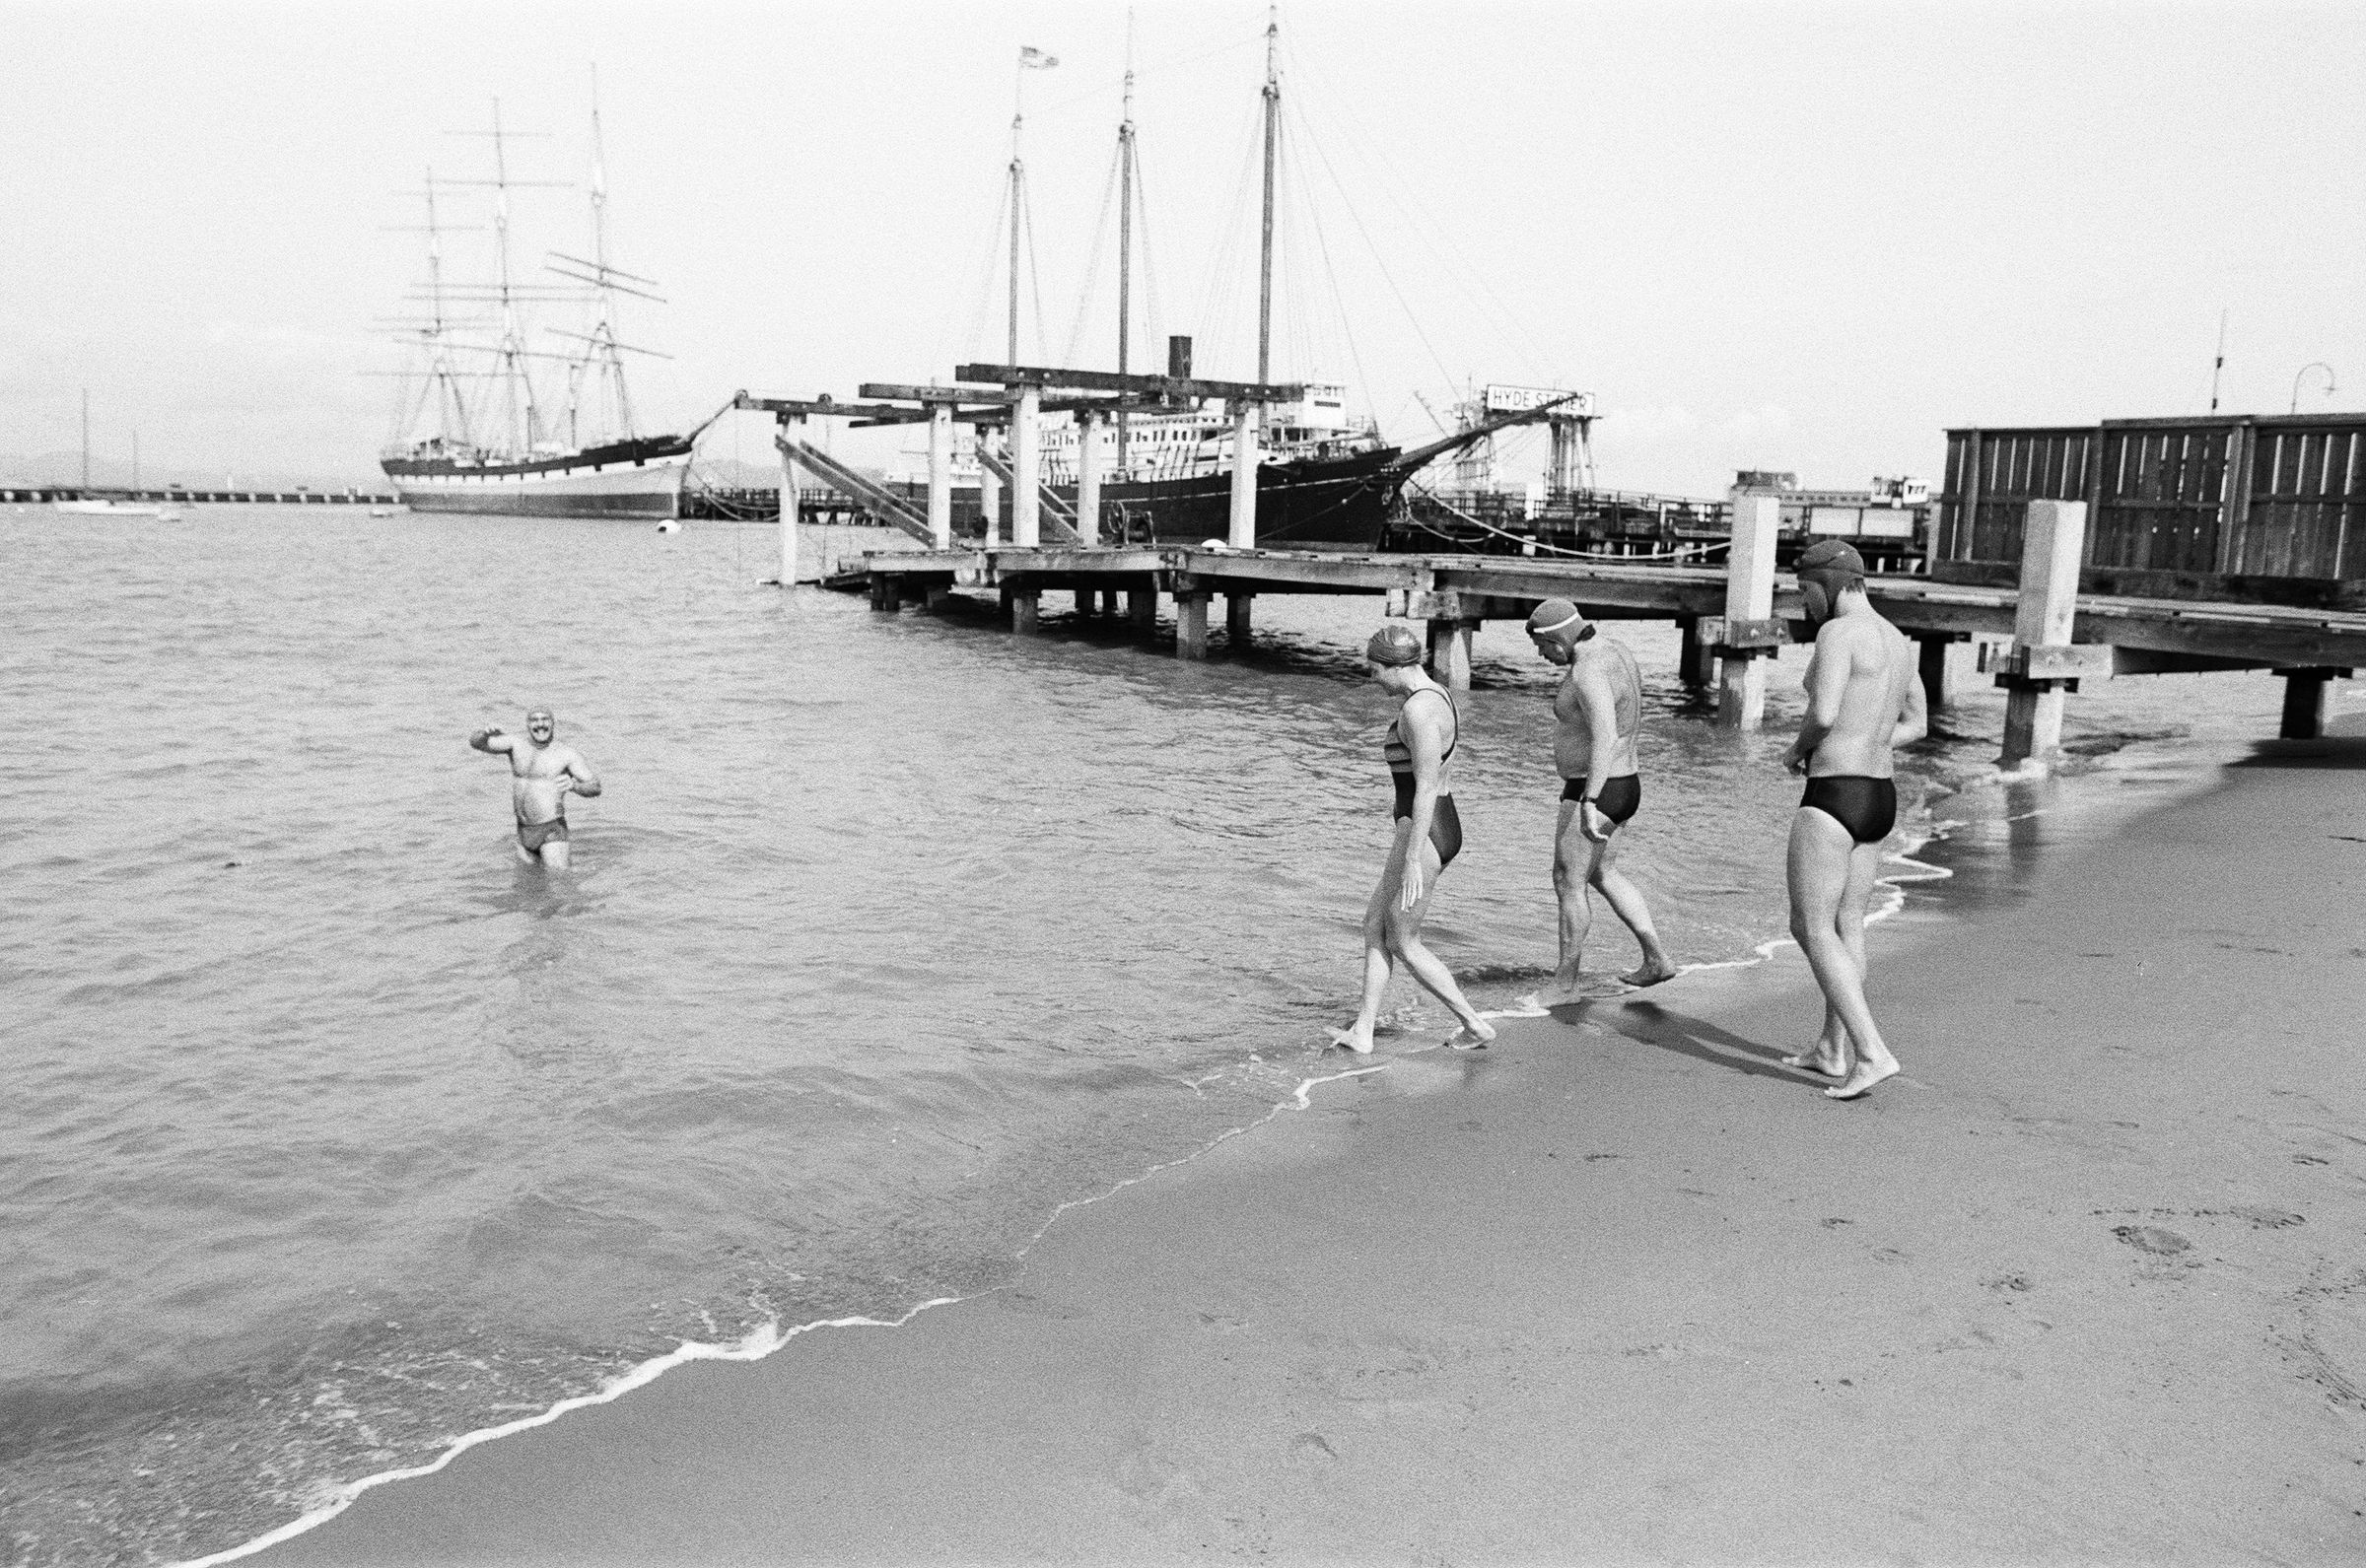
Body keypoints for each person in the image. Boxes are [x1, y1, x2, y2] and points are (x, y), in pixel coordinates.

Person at [1778, 541, 1926, 1099]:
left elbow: (1822, 713)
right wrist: (1870, 741)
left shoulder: (1838, 634)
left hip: (1835, 794)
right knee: (1847, 926)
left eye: (1805, 591)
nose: (1805, 603)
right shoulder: (1898, 640)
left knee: (1810, 927)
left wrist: (1798, 751)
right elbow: (1918, 722)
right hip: (1879, 796)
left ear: (1829, 584)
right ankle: (1830, 1047)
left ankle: (1871, 1052)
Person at [1332, 625, 1497, 1054]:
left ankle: (1474, 1024)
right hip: (1429, 825)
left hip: (1425, 832)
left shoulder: (1418, 710)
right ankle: (1363, 1030)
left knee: (1403, 940)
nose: (1374, 680)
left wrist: (1411, 859)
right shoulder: (1438, 694)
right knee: (1374, 924)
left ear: (1393, 666)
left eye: (1374, 671)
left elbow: (1424, 786)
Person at [1523, 599, 1678, 1005]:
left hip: (1596, 788)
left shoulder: (1587, 669)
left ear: (1558, 639)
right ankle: (1657, 960)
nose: (1541, 656)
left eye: (1542, 647)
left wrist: (1589, 800)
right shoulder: (1615, 650)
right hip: (1625, 784)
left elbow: (1605, 735)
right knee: (1603, 873)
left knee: (1567, 881)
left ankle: (1565, 985)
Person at [470, 708, 601, 868]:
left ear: (553, 723)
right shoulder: (515, 745)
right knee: (526, 881)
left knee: (558, 880)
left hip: (551, 830)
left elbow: (595, 787)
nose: (540, 724)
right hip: (523, 831)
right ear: (528, 724)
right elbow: (476, 743)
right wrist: (484, 734)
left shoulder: (566, 754)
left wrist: (574, 786)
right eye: (534, 720)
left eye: (545, 719)